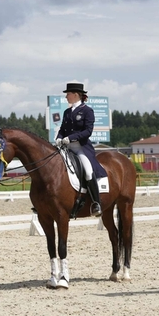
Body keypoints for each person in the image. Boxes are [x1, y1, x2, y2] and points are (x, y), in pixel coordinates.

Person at [56, 83, 107, 217]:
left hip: (81, 148)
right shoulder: (67, 112)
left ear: (75, 95)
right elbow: (62, 129)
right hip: (66, 148)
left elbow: (88, 131)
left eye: (68, 94)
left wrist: (71, 138)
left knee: (88, 172)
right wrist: (59, 138)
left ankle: (96, 203)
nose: (66, 96)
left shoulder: (87, 111)